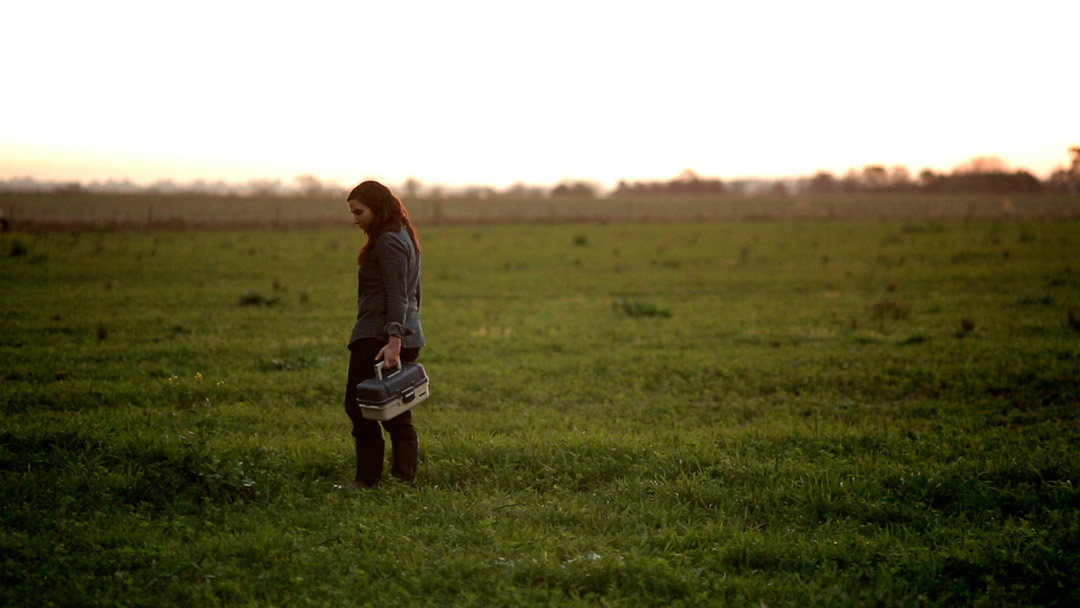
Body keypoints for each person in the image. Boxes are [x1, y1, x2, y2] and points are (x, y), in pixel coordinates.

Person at [342, 180, 424, 489]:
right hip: (402, 332)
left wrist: (393, 342)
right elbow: (414, 295)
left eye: (359, 212)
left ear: (377, 208)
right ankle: (403, 477)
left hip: (380, 338)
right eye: (353, 213)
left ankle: (366, 480)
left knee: (360, 406)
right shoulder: (404, 235)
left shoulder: (389, 241)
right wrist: (407, 331)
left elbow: (398, 295)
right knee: (394, 408)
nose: (355, 219)